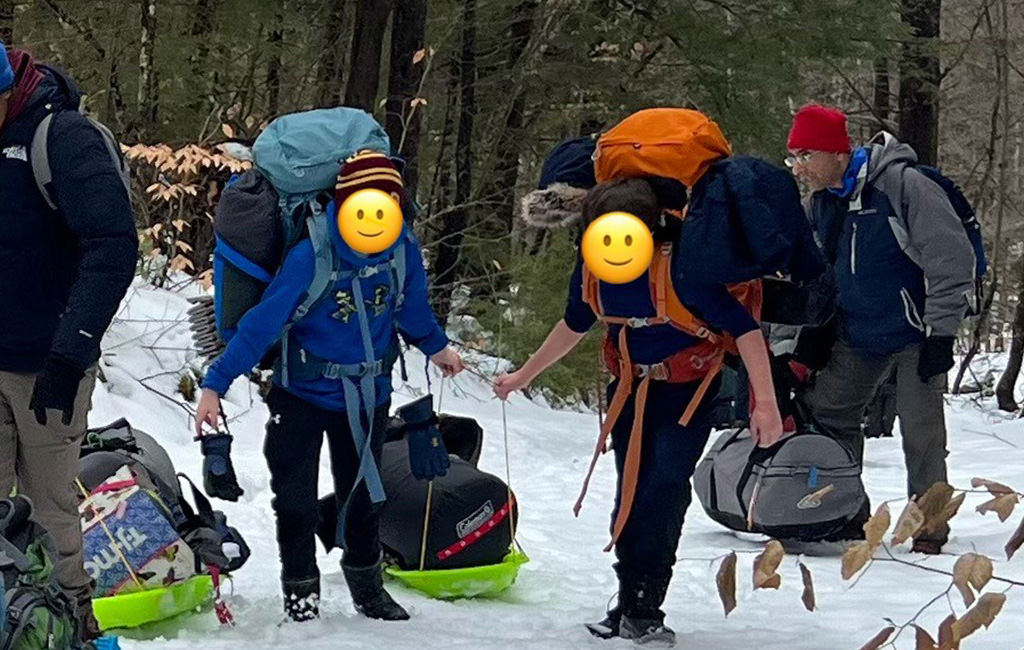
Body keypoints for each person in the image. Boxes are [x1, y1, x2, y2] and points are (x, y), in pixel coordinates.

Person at [495, 178, 782, 646]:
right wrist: (524, 376)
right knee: (630, 494)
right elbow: (575, 323)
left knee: (662, 491)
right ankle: (630, 601)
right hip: (630, 390)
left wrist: (764, 404)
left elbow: (745, 330)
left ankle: (647, 606)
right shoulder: (594, 267)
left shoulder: (683, 265)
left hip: (687, 394)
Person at [195, 152, 464, 622]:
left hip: (369, 397)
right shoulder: (310, 255)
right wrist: (215, 383)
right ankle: (301, 599)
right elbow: (262, 324)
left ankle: (368, 589)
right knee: (295, 504)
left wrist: (437, 348)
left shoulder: (401, 249)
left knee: (363, 497)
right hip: (300, 395)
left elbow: (412, 309)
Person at [786, 104, 975, 554]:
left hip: (917, 333)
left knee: (921, 431)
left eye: (806, 154)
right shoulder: (822, 205)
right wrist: (807, 340)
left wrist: (942, 334)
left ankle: (929, 530)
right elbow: (820, 276)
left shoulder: (904, 186)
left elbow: (952, 259)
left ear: (835, 151)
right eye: (793, 156)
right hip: (858, 333)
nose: (799, 167)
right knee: (830, 413)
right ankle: (843, 513)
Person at [0, 42, 137, 640]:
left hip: (47, 363)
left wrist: (71, 351)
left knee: (52, 504)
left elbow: (113, 246)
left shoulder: (63, 138)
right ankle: (14, 622)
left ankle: (71, 619)